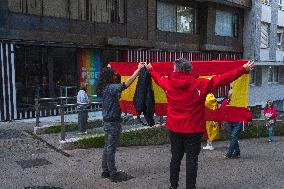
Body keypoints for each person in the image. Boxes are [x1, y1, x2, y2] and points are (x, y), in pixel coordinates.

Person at [145, 58, 254, 189]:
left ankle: (173, 186)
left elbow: (157, 78)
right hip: (193, 130)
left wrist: (150, 69)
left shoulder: (167, 82)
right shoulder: (199, 84)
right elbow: (222, 79)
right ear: (188, 70)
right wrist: (242, 69)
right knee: (191, 160)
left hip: (174, 128)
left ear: (176, 69)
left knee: (175, 158)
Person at [96, 62, 144, 182]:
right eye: (112, 74)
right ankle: (113, 173)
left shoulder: (103, 88)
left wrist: (108, 68)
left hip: (107, 121)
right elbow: (125, 84)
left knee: (107, 147)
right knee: (111, 149)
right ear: (109, 77)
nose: (115, 75)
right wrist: (137, 71)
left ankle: (105, 171)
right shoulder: (111, 88)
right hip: (113, 123)